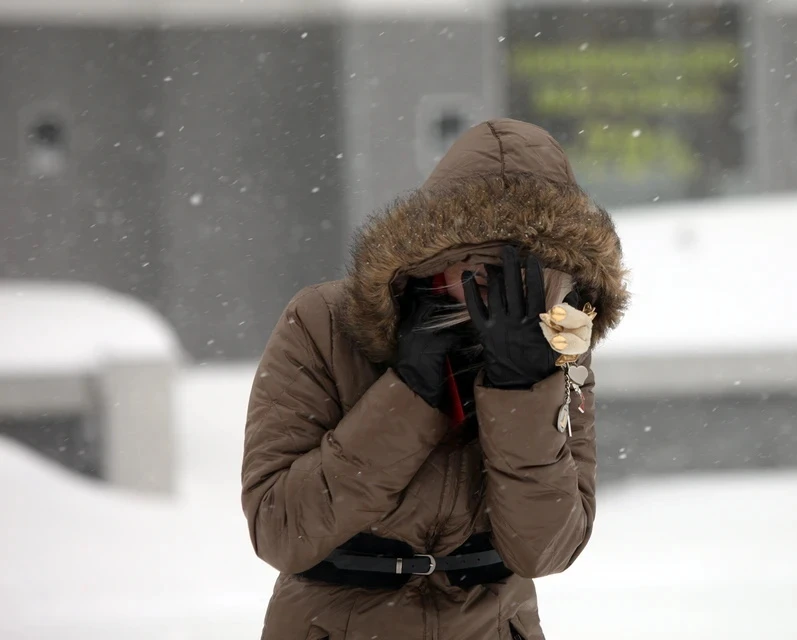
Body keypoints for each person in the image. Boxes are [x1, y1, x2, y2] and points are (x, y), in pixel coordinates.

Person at [241, 118, 628, 640]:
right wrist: (410, 390)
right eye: (481, 265)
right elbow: (280, 529)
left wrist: (521, 393)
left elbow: (544, 549)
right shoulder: (324, 322)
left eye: (528, 275)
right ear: (431, 258)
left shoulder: (561, 345)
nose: (500, 296)